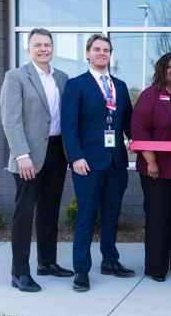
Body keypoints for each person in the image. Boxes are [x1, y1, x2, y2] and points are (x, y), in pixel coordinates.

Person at [0, 28, 73, 292]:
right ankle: (19, 273)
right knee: (24, 213)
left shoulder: (62, 78)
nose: (43, 49)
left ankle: (47, 262)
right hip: (28, 155)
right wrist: (22, 155)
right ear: (28, 48)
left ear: (53, 48)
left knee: (50, 210)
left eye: (47, 45)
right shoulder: (16, 77)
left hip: (56, 151)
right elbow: (11, 120)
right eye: (37, 45)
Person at [61, 34, 134, 292]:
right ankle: (81, 269)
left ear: (110, 54)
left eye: (106, 50)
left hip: (116, 162)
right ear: (88, 54)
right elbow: (68, 127)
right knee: (86, 217)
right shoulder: (76, 85)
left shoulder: (121, 86)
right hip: (88, 164)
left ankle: (110, 261)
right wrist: (76, 157)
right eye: (97, 49)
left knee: (111, 216)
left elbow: (127, 121)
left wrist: (136, 139)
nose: (102, 53)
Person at [131, 52, 171, 282]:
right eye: (170, 66)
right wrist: (151, 161)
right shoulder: (150, 95)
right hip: (157, 167)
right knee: (159, 217)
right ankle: (156, 268)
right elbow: (139, 130)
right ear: (162, 69)